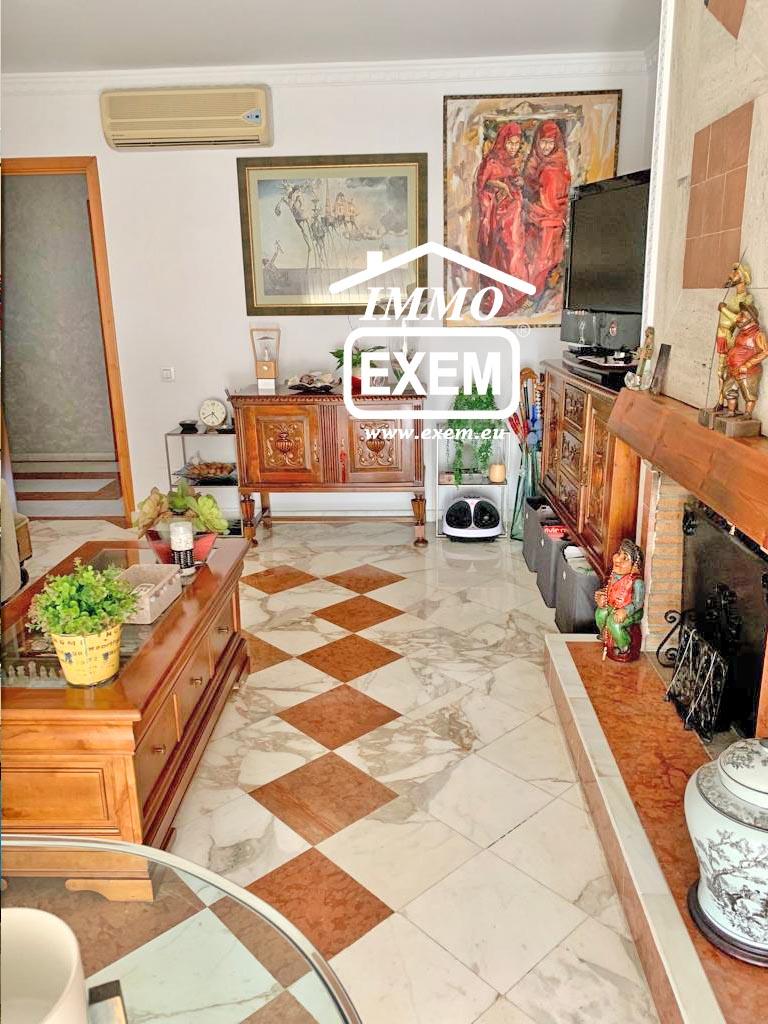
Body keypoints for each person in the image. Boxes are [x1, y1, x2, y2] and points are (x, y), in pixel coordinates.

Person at [474, 122, 529, 315]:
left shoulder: (512, 161)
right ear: (502, 141)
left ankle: (516, 296)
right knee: (500, 254)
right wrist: (502, 186)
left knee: (515, 254)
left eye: (516, 143)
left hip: (513, 217)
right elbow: (482, 183)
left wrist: (517, 182)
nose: (513, 147)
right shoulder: (491, 161)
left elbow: (513, 181)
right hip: (497, 218)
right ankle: (501, 298)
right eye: (510, 143)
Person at [524, 120, 571, 300]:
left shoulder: (553, 168)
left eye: (550, 142)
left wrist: (528, 208)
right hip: (543, 220)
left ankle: (534, 296)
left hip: (549, 221)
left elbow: (549, 204)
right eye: (543, 142)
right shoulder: (538, 162)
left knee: (541, 260)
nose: (546, 146)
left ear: (556, 143)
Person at [595, 539, 645, 659]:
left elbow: (638, 603)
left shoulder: (637, 582)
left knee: (614, 622)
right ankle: (606, 635)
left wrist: (626, 611)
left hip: (632, 611)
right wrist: (601, 598)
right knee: (600, 614)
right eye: (618, 554)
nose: (618, 559)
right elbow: (609, 591)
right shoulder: (613, 575)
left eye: (625, 558)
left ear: (635, 566)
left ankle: (624, 646)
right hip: (613, 606)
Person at [717, 302, 767, 418]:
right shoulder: (740, 333)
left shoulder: (758, 334)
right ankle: (731, 411)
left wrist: (748, 364)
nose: (739, 318)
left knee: (749, 393)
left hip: (748, 372)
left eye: (742, 315)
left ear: (751, 318)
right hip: (733, 370)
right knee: (728, 391)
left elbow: (765, 351)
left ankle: (747, 414)